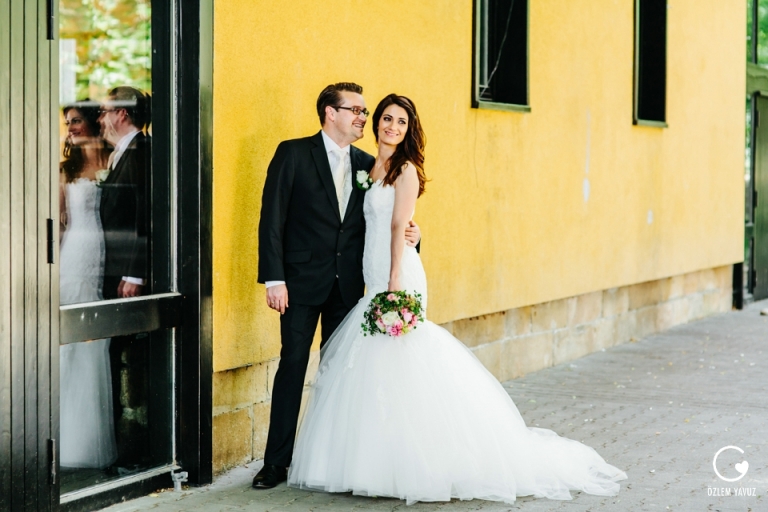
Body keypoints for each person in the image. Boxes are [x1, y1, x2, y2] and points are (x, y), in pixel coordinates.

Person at [286, 94, 628, 505]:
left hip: (395, 276)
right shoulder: (369, 167)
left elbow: (398, 226)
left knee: (402, 360)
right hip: (373, 274)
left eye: (402, 122)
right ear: (376, 124)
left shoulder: (405, 170)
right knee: (373, 365)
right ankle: (375, 461)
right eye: (387, 119)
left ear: (409, 130)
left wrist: (394, 281)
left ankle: (416, 463)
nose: (393, 127)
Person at [254, 83, 421, 489]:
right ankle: (275, 463)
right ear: (331, 113)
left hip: (349, 288)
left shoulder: (370, 164)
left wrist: (416, 238)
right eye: (356, 110)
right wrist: (274, 279)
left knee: (338, 373)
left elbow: (391, 220)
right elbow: (271, 218)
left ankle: (327, 461)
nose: (364, 118)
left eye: (365, 112)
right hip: (298, 284)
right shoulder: (293, 153)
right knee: (293, 366)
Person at [58, 100, 118, 469]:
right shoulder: (67, 169)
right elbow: (59, 222)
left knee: (96, 341)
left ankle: (90, 439)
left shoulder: (115, 158)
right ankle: (63, 439)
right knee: (71, 343)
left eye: (76, 120)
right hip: (74, 256)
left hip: (107, 256)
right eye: (68, 123)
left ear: (94, 122)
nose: (71, 128)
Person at [97, 85, 151, 300]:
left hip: (127, 271)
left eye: (104, 112)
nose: (100, 119)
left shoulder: (141, 151)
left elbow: (146, 214)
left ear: (121, 113)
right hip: (116, 266)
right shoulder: (123, 152)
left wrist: (135, 275)